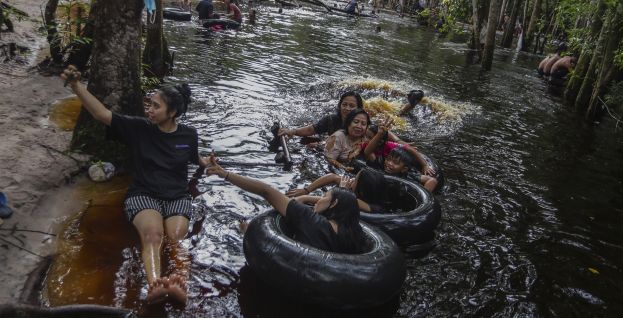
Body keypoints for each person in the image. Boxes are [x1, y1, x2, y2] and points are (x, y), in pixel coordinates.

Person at [59, 65, 213, 306]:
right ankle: (155, 286)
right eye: (149, 104)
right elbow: (102, 114)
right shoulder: (139, 129)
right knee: (153, 235)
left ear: (172, 112)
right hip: (144, 195)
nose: (149, 110)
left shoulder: (189, 135)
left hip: (177, 196)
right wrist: (77, 86)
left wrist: (207, 164)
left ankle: (179, 285)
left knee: (176, 238)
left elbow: (194, 158)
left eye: (156, 106)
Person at [205, 160, 366, 254]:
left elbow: (266, 191)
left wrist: (224, 174)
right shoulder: (356, 232)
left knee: (246, 229)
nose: (318, 200)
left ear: (335, 204)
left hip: (297, 278)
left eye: (324, 196)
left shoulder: (308, 218)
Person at [287, 168, 389, 213]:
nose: (351, 179)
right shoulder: (356, 188)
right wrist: (306, 190)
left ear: (362, 191)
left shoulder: (369, 207)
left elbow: (335, 200)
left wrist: (342, 189)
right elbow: (332, 177)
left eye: (355, 180)